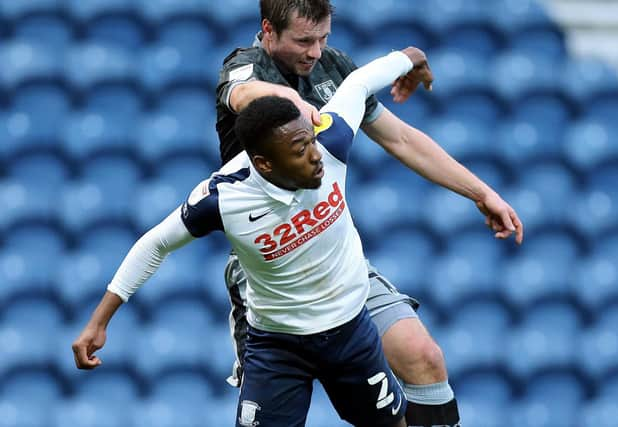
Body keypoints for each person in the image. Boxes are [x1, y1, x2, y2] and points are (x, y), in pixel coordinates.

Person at [72, 47, 442, 427]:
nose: (315, 156)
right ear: (264, 163)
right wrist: (99, 322)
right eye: (301, 150)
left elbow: (360, 81)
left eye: (311, 141)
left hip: (350, 330)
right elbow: (155, 244)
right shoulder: (223, 197)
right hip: (278, 347)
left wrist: (412, 57)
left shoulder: (330, 140)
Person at [215, 1, 524, 426]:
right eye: (304, 40)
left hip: (336, 260)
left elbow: (400, 138)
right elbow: (241, 93)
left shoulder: (333, 67)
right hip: (272, 277)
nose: (316, 51)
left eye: (324, 38)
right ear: (268, 30)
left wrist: (480, 192)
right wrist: (288, 98)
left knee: (424, 357)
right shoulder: (244, 66)